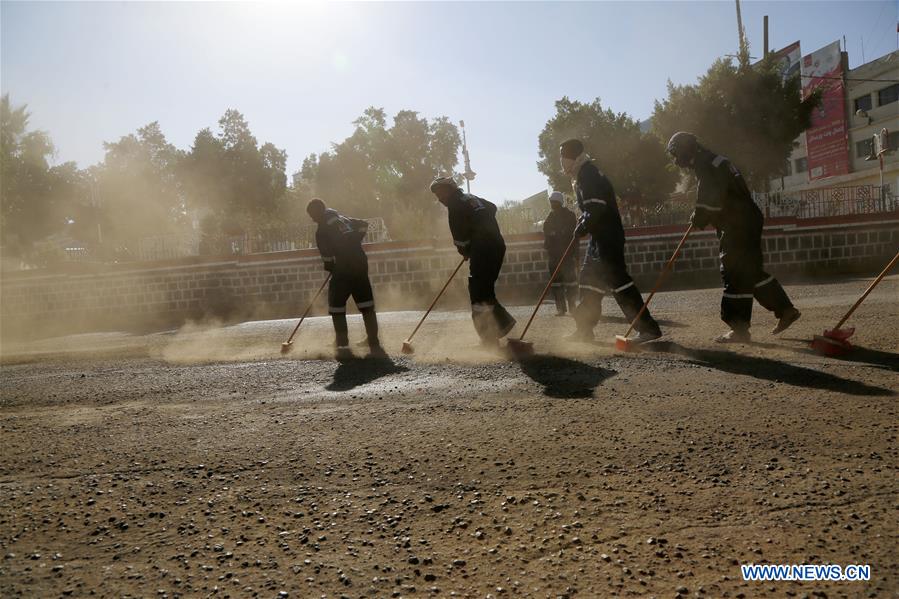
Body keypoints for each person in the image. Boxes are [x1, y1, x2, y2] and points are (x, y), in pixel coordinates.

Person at [666, 131, 801, 343]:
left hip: (737, 224)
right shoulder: (716, 160)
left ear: (685, 150)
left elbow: (710, 196)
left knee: (733, 271)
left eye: (676, 154)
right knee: (749, 271)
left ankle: (738, 329)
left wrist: (698, 216)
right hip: (747, 219)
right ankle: (786, 310)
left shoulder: (705, 163)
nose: (676, 160)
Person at [560, 139, 662, 343]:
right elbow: (592, 209)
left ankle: (647, 328)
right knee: (589, 281)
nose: (560, 161)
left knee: (619, 282)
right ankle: (584, 330)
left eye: (562, 156)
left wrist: (583, 225)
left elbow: (596, 207)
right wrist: (584, 221)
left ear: (572, 157)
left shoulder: (588, 174)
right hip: (598, 238)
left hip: (608, 237)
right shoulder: (582, 174)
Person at [429, 177, 516, 347]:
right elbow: (492, 207)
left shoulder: (455, 205)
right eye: (436, 195)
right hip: (497, 246)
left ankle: (490, 337)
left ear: (450, 189)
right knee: (484, 289)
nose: (439, 198)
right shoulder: (471, 198)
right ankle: (500, 328)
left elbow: (459, 237)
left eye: (440, 193)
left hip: (482, 249)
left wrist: (466, 250)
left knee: (478, 291)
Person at [306, 198, 385, 359]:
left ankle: (342, 344)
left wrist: (330, 267)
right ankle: (373, 342)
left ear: (318, 212)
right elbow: (363, 224)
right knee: (366, 304)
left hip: (343, 270)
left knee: (337, 306)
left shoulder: (322, 229)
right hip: (360, 265)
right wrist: (356, 240)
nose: (312, 219)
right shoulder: (343, 219)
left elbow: (327, 256)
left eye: (312, 215)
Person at [542, 191, 579, 316]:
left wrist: (557, 234)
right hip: (554, 255)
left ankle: (573, 307)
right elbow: (546, 229)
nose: (551, 204)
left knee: (571, 282)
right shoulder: (550, 216)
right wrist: (555, 234)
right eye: (551, 202)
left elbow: (569, 232)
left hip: (567, 254)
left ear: (558, 202)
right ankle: (561, 308)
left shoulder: (570, 215)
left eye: (553, 202)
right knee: (556, 283)